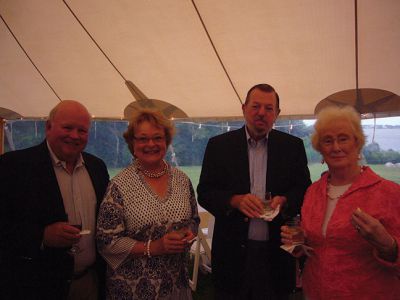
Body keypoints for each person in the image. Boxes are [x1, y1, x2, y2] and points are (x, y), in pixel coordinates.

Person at [197, 83, 311, 299]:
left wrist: (285, 201)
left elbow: (304, 189)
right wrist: (234, 200)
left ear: (277, 114)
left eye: (269, 108)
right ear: (243, 108)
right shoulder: (219, 146)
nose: (261, 113)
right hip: (232, 254)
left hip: (276, 255)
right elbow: (205, 191)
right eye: (256, 106)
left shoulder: (292, 146)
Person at [281, 105, 400, 299]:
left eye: (343, 138)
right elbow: (319, 244)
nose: (336, 147)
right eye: (328, 141)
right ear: (320, 148)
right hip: (316, 293)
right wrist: (300, 241)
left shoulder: (388, 193)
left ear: (357, 143)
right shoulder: (313, 192)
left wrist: (389, 245)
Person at [0, 100, 110, 300]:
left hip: (89, 283)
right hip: (36, 286)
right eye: (67, 127)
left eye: (82, 130)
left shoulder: (97, 167)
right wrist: (42, 236)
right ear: (48, 127)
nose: (74, 136)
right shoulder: (13, 166)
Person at [96, 109, 199, 300]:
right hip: (133, 288)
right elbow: (106, 242)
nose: (150, 144)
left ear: (166, 142)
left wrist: (188, 232)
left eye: (157, 137)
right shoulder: (119, 186)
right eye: (143, 139)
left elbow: (194, 218)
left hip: (176, 284)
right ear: (133, 144)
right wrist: (154, 247)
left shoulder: (182, 180)